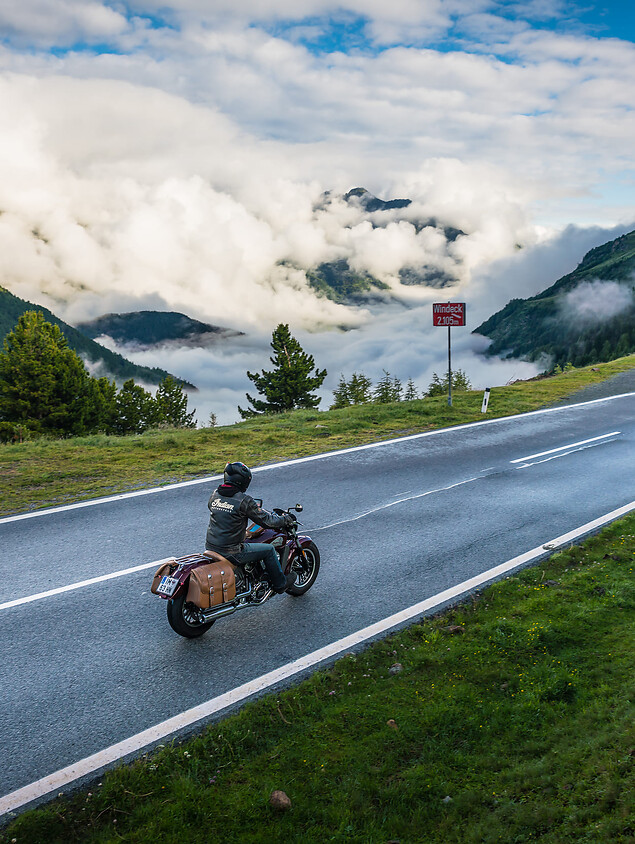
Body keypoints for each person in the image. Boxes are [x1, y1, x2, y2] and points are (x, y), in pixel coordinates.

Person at [205, 462, 297, 594]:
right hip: (232, 551)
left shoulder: (215, 495)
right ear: (243, 481)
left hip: (211, 546)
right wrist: (286, 519)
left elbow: (219, 512)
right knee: (269, 549)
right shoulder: (244, 500)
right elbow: (267, 521)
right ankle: (280, 584)